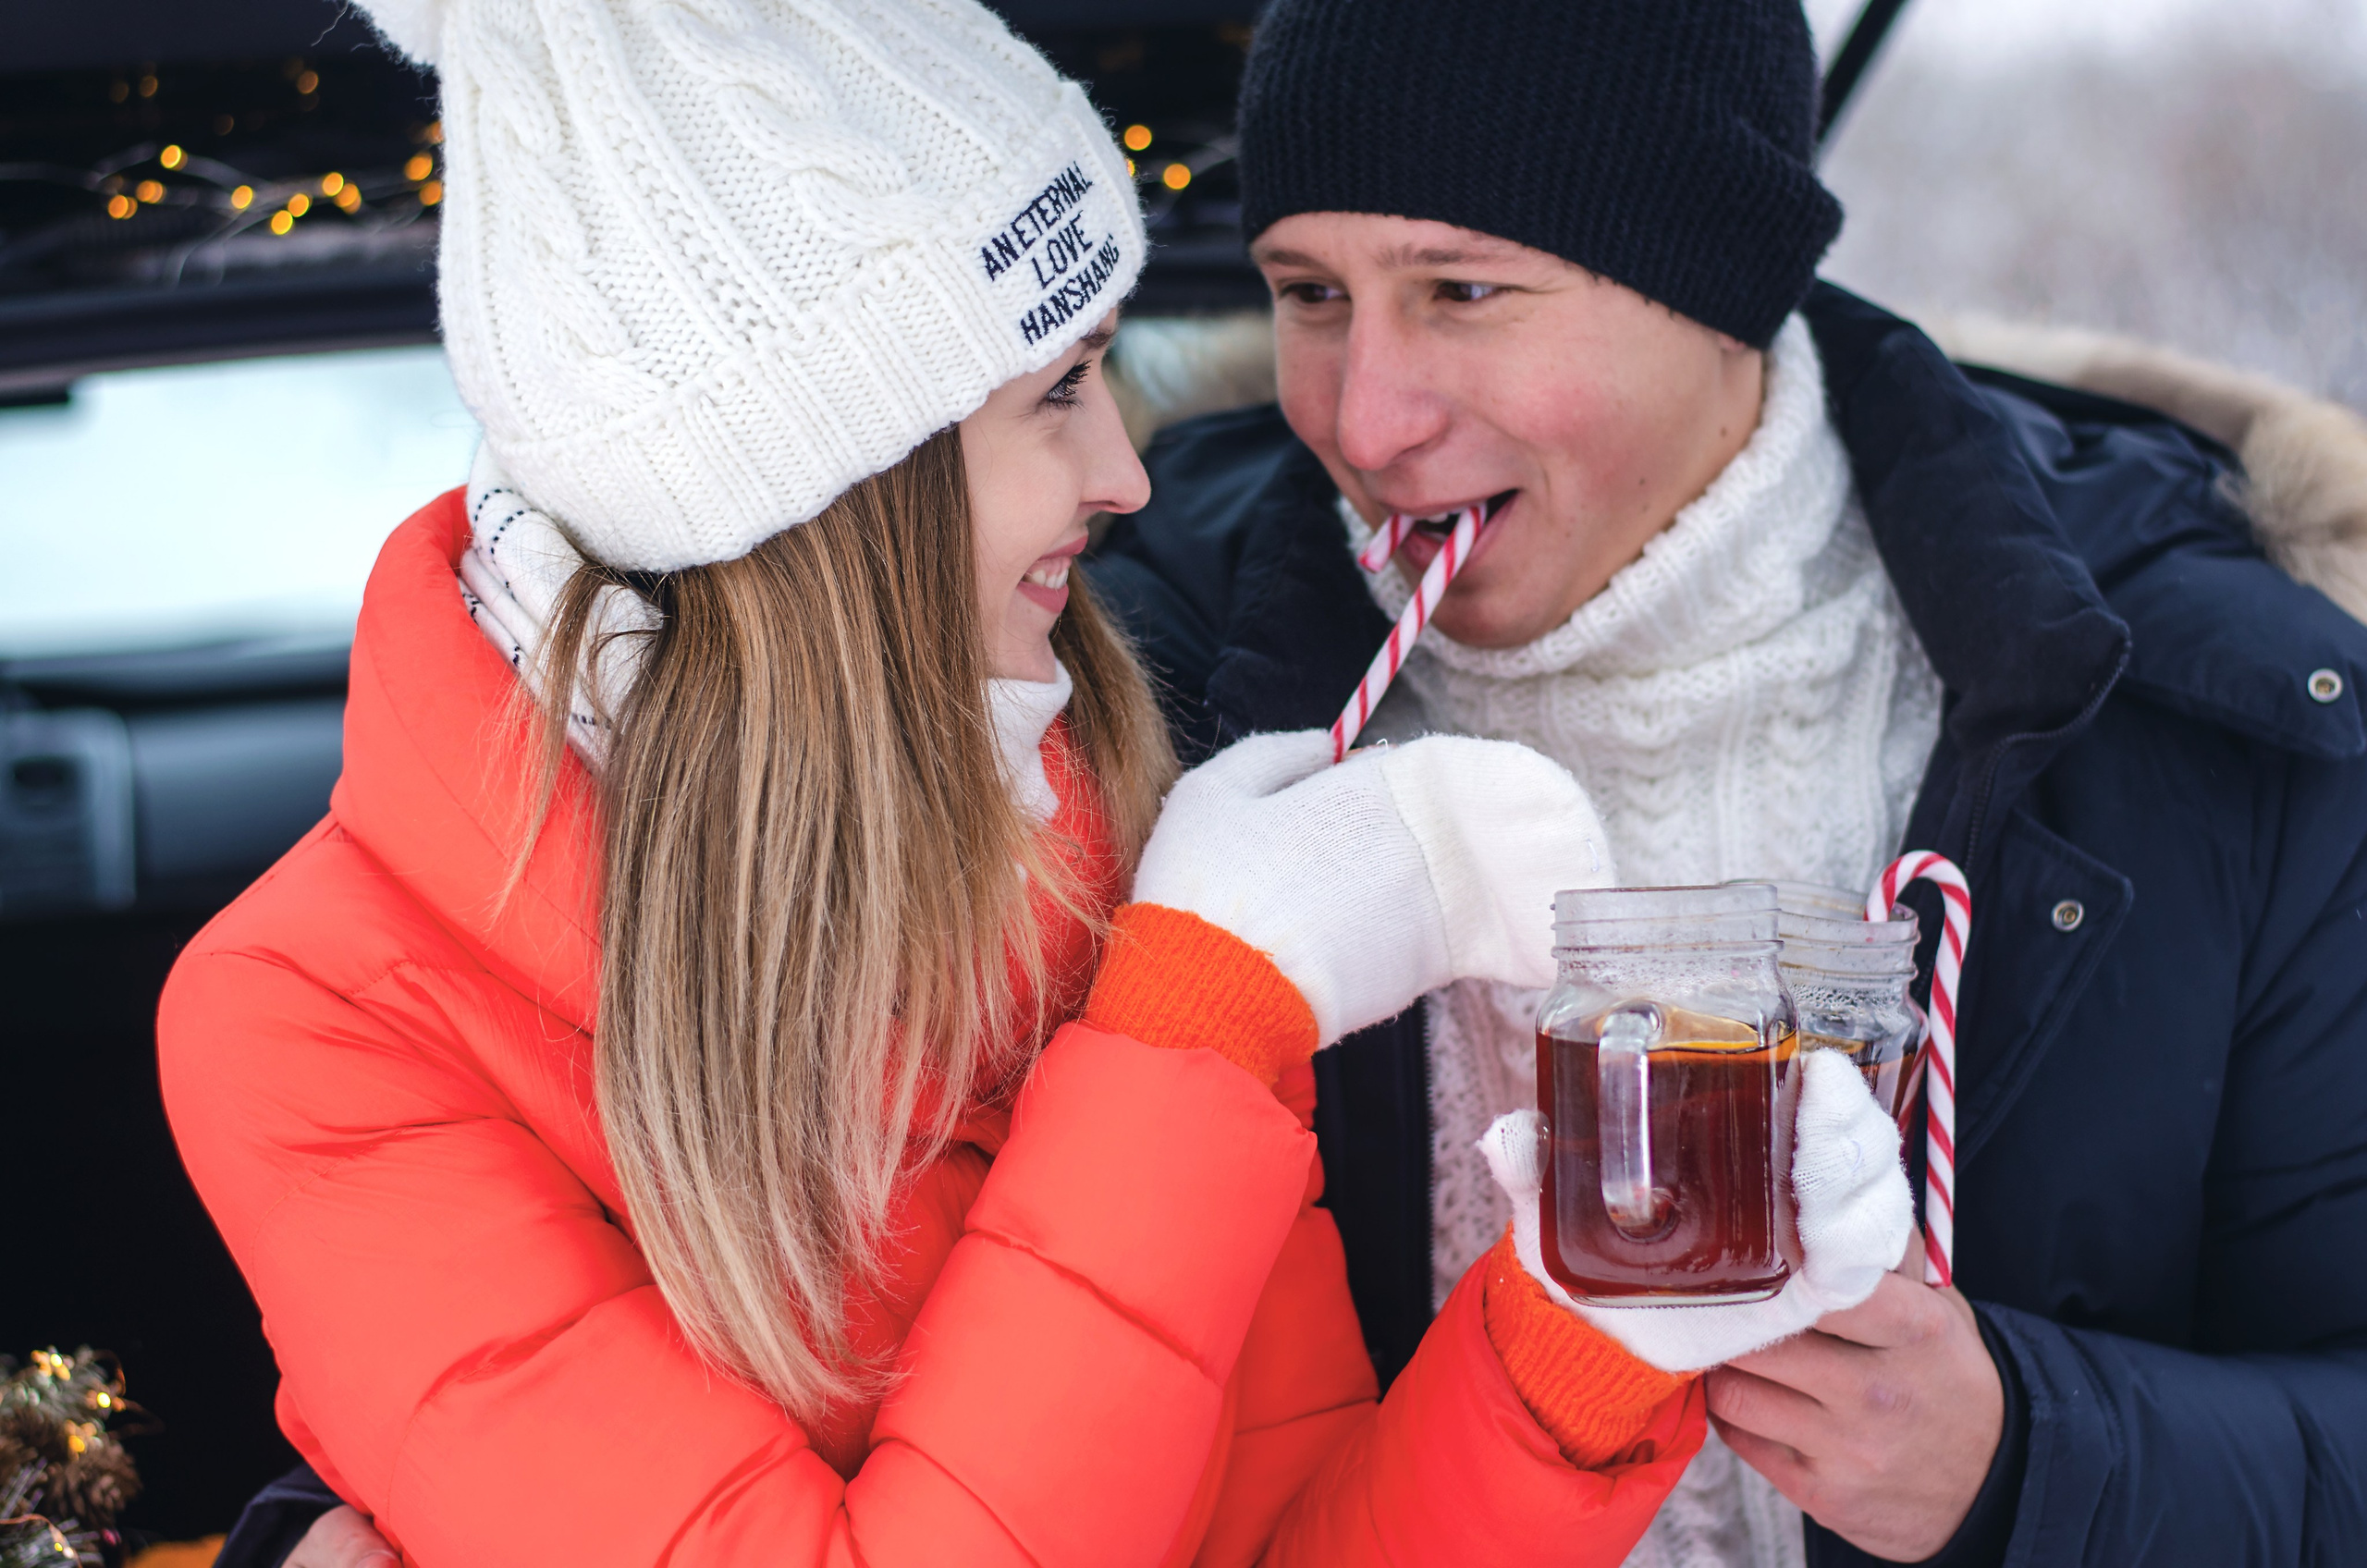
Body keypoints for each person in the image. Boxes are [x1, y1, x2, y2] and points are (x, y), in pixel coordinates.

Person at [158, 1, 1919, 1564]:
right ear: (853, 474)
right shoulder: (313, 1024)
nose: (1128, 473)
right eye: (1061, 390)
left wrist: (1584, 1326)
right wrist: (1198, 1026)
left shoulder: (1091, 814)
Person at [1084, 1, 2367, 1565]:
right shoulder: (1140, 690)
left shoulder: (2210, 719)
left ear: (1724, 283)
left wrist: (2029, 1456)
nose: (1366, 419)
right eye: (1308, 293)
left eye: (1466, 290)